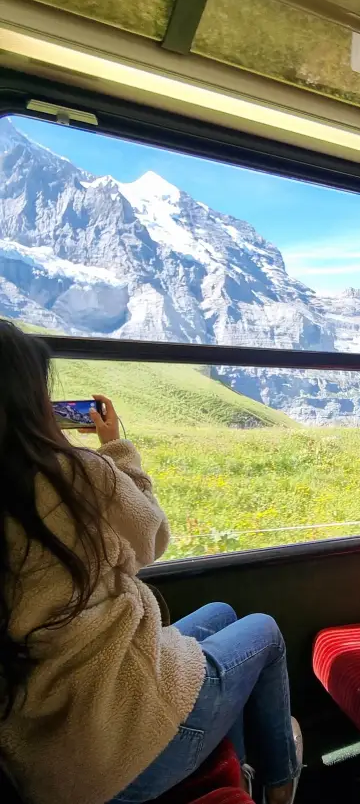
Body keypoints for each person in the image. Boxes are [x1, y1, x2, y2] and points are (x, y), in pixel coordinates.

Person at [0, 321, 302, 804]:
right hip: (122, 754)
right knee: (264, 631)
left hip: (42, 758)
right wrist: (116, 449)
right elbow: (152, 537)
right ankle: (280, 781)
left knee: (222, 612)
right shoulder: (75, 473)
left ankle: (238, 775)